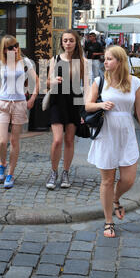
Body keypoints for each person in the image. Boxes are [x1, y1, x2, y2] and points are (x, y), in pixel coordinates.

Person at [85, 45, 140, 238]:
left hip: (127, 134)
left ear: (120, 61)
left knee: (129, 179)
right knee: (107, 180)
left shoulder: (135, 82)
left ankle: (115, 198)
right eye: (105, 59)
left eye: (110, 58)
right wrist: (101, 104)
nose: (105, 62)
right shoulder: (100, 81)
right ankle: (108, 220)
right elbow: (87, 105)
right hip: (106, 133)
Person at [0, 35, 38, 189]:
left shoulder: (25, 62)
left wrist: (32, 98)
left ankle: (10, 174)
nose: (15, 49)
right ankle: (2, 164)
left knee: (14, 141)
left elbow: (37, 81)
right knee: (2, 141)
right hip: (3, 103)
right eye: (11, 47)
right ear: (4, 49)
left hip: (19, 103)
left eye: (16, 46)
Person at [46, 29, 91, 190]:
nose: (68, 43)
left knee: (69, 140)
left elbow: (86, 87)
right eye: (65, 41)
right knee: (57, 140)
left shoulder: (83, 62)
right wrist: (53, 81)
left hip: (74, 102)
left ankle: (65, 172)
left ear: (76, 42)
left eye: (71, 40)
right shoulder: (55, 59)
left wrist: (84, 110)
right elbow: (46, 83)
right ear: (61, 43)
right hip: (57, 101)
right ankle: (53, 172)